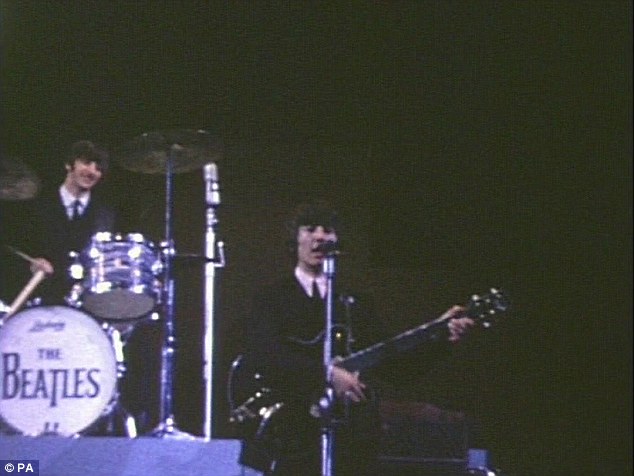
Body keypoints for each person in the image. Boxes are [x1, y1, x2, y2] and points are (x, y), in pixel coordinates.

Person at [237, 201, 475, 476]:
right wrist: (326, 374)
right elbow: (264, 355)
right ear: (295, 239)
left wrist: (441, 336)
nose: (319, 237)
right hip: (291, 433)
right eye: (310, 229)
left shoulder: (355, 303)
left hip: (350, 439)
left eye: (327, 230)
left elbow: (396, 367)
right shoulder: (271, 298)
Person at [23, 140, 114, 302]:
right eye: (86, 163)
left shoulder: (105, 215)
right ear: (68, 164)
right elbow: (17, 251)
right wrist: (31, 263)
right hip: (40, 300)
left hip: (86, 306)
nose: (92, 171)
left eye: (98, 168)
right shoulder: (37, 206)